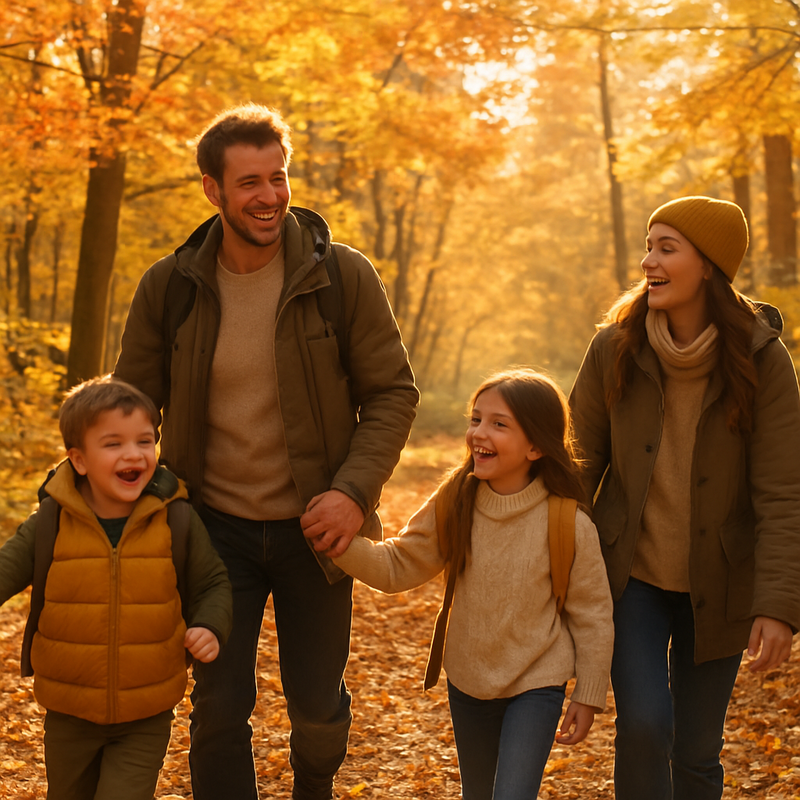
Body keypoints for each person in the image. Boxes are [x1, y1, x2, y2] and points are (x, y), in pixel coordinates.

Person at [113, 103, 419, 800]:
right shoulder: (171, 287)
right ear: (212, 190)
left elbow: (393, 393)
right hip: (213, 530)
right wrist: (146, 511)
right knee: (219, 707)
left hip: (318, 530)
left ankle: (314, 787)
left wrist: (352, 493)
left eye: (278, 177)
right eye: (249, 182)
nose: (269, 196)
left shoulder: (340, 276)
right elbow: (130, 414)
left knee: (316, 707)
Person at [569, 195, 800, 800]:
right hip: (632, 576)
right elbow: (576, 464)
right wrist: (554, 566)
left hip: (720, 584)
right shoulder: (613, 347)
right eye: (649, 246)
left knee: (696, 753)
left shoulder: (764, 361)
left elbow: (782, 493)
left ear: (709, 266)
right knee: (645, 726)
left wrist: (777, 605)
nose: (649, 261)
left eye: (666, 248)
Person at [310, 369, 613, 800]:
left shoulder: (567, 522)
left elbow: (593, 614)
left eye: (498, 423)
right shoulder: (457, 499)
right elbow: (398, 564)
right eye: (476, 419)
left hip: (537, 679)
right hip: (469, 679)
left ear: (536, 446)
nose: (479, 433)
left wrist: (589, 693)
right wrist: (335, 542)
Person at [0, 375, 232, 800]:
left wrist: (211, 626)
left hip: (147, 711)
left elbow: (213, 582)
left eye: (145, 441)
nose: (134, 454)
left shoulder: (175, 519)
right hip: (69, 711)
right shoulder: (51, 522)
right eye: (114, 444)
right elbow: (6, 568)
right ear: (79, 459)